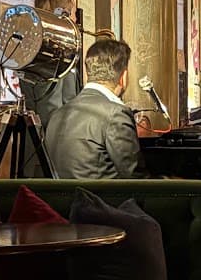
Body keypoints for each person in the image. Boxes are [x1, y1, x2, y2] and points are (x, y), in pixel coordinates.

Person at [46, 38, 147, 180]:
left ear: (89, 74)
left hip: (59, 201)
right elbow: (135, 178)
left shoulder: (57, 114)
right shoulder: (116, 115)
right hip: (100, 201)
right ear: (123, 77)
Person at [25, 0, 83, 128]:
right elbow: (50, 111)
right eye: (73, 13)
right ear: (63, 14)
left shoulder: (33, 49)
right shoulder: (51, 54)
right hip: (52, 143)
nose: (75, 21)